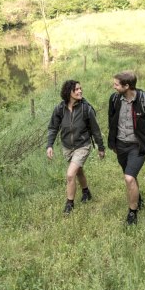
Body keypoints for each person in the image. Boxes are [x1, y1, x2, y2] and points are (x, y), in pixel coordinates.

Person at [107, 70, 145, 225]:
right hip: (120, 145)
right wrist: (113, 143)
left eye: (116, 84)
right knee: (130, 175)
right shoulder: (114, 99)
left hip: (138, 146)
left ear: (127, 86)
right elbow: (111, 121)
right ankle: (138, 199)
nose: (114, 87)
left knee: (129, 178)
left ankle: (132, 213)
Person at [47, 79, 105, 215]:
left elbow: (95, 130)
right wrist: (49, 145)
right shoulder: (60, 109)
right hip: (67, 146)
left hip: (82, 145)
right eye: (76, 89)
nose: (80, 91)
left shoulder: (86, 109)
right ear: (69, 92)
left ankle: (69, 204)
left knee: (70, 174)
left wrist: (101, 148)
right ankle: (86, 192)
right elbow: (53, 128)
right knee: (78, 171)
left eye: (80, 88)